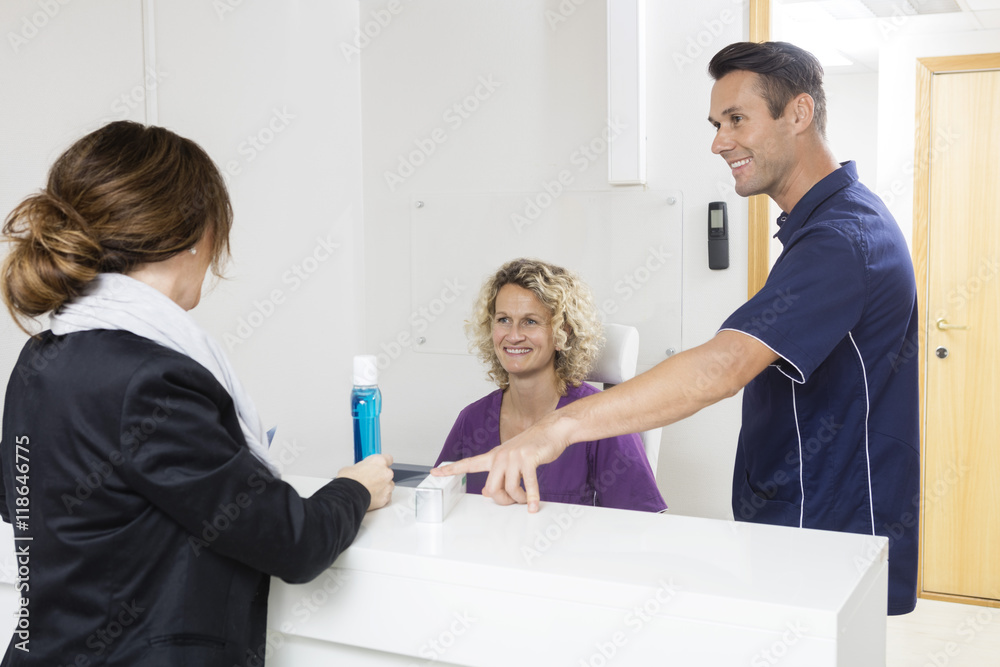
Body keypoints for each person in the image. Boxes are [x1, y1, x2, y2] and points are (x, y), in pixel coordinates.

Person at [435, 42, 920, 616]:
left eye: (736, 119)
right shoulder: (820, 231)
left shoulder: (841, 239)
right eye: (716, 124)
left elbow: (722, 368)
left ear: (798, 113)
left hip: (827, 530)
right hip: (800, 519)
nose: (719, 142)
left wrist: (557, 428)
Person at [0, 120, 395, 665]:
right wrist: (355, 488)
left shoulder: (43, 355)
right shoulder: (149, 377)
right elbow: (293, 544)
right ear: (193, 235)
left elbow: (23, 501)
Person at [435, 258, 665, 512]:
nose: (513, 335)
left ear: (561, 333)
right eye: (503, 320)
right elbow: (437, 503)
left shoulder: (602, 422)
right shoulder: (472, 421)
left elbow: (642, 525)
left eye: (530, 321)